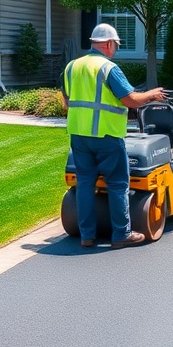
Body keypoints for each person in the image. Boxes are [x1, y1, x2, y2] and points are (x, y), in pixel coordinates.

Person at [62, 23, 166, 249]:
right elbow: (130, 100)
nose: (115, 50)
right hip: (107, 135)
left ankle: (87, 235)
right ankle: (121, 234)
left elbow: (66, 101)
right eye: (116, 46)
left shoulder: (72, 67)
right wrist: (151, 95)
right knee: (118, 184)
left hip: (79, 135)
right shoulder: (108, 68)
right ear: (109, 44)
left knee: (85, 183)